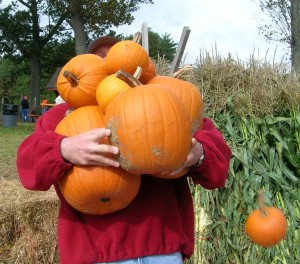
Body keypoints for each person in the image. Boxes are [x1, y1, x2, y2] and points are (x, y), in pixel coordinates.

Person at [16, 36, 232, 264]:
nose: (113, 68)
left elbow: (218, 166)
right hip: (95, 255)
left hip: (163, 250)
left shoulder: (166, 104)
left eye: (117, 58)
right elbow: (28, 169)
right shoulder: (60, 117)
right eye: (101, 61)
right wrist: (62, 148)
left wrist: (198, 155)